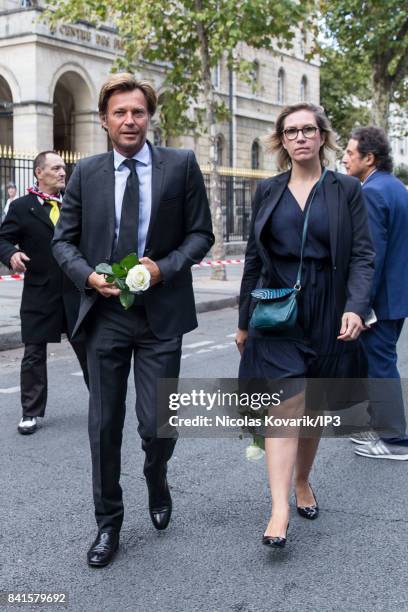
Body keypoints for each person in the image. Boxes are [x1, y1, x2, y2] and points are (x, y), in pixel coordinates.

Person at [52, 73, 214, 567]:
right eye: (120, 113)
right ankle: (108, 524)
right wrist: (87, 278)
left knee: (157, 424)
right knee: (103, 425)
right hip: (105, 315)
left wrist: (162, 268)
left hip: (161, 314)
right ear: (104, 120)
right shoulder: (87, 174)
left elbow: (200, 234)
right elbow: (64, 242)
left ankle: (156, 476)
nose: (129, 120)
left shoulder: (181, 166)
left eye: (138, 112)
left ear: (149, 116)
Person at [236, 103, 375, 548]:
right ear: (281, 140)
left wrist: (355, 307)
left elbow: (362, 255)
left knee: (311, 404)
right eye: (291, 131)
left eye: (308, 130)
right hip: (277, 310)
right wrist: (243, 321)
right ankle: (279, 508)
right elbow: (255, 259)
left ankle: (302, 482)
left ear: (322, 136)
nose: (300, 137)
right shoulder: (269, 191)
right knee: (285, 403)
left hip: (329, 307)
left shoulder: (346, 190)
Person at [0, 151, 89, 435]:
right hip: (40, 292)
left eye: (64, 168)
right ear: (38, 172)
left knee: (88, 349)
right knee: (34, 353)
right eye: (56, 168)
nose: (63, 172)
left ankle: (103, 402)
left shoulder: (75, 205)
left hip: (76, 292)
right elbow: (3, 239)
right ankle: (30, 412)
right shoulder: (21, 207)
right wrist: (12, 254)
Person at [343, 127, 408, 459]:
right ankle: (380, 426)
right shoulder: (397, 188)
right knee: (381, 362)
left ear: (369, 158)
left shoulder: (370, 192)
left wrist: (361, 307)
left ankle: (394, 439)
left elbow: (372, 255)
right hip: (397, 297)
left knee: (381, 366)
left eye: (350, 153)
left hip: (381, 301)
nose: (344, 157)